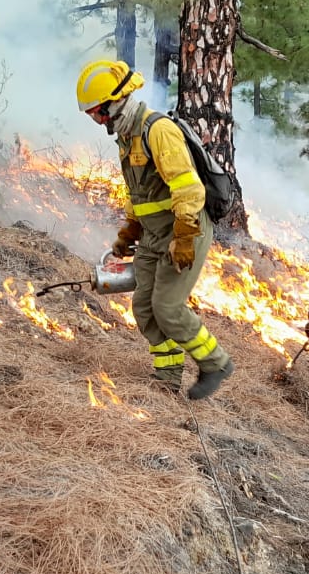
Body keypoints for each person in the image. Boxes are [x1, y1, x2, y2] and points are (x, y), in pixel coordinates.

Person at [76, 59, 233, 400]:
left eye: (97, 112)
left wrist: (185, 237)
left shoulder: (157, 131)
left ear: (116, 102)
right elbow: (139, 193)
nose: (97, 120)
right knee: (145, 308)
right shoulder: (127, 138)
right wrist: (129, 232)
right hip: (152, 236)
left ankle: (216, 362)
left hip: (183, 231)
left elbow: (188, 188)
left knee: (168, 307)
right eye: (91, 115)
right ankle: (168, 375)